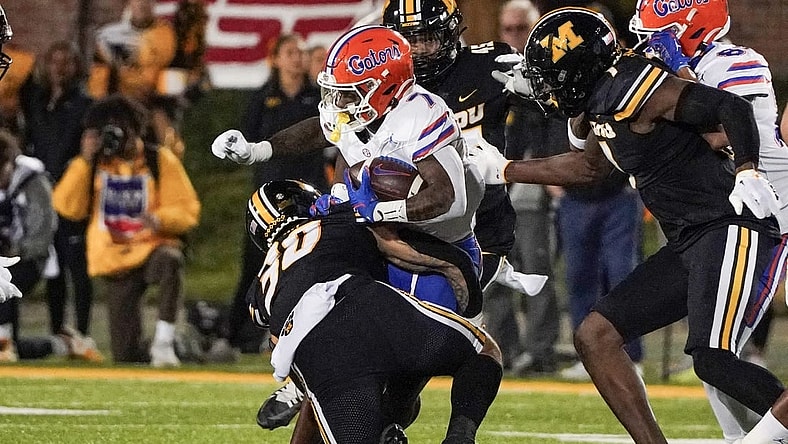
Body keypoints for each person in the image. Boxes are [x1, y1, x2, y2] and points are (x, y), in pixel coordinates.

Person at [475, 7, 788, 444]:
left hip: (729, 225)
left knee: (712, 359)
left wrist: (749, 170)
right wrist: (506, 169)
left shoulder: (633, 86)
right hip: (689, 239)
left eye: (551, 77)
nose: (545, 89)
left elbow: (729, 106)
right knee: (595, 335)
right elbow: (589, 169)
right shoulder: (601, 101)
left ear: (578, 71)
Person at [630, 0, 788, 440]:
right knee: (714, 357)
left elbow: (723, 128)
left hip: (775, 223)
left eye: (655, 36)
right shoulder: (673, 77)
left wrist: (678, 72)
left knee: (716, 355)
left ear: (689, 31)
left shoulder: (736, 61)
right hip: (739, 226)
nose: (647, 46)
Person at [244, 178, 502, 444]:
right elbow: (420, 256)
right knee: (483, 351)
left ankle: (381, 431)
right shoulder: (336, 219)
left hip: (314, 356)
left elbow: (280, 343)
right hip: (362, 305)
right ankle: (459, 437)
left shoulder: (257, 293)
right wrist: (465, 295)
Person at [52, 94, 201, 367]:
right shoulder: (94, 165)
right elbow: (67, 207)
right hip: (115, 258)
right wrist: (84, 161)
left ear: (135, 128)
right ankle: (184, 347)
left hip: (151, 248)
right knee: (125, 354)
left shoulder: (159, 160)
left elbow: (187, 209)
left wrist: (160, 219)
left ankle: (165, 342)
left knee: (171, 261)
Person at [224, 33, 324, 355]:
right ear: (276, 59)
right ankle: (238, 335)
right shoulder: (262, 98)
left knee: (306, 263)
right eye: (290, 52)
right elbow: (247, 139)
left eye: (300, 52)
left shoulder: (318, 97)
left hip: (307, 193)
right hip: (268, 196)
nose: (297, 58)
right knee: (256, 264)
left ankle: (298, 333)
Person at [492, 0, 563, 375]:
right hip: (492, 186)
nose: (515, 37)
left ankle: (539, 350)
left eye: (522, 29)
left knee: (537, 267)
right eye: (509, 29)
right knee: (491, 271)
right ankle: (501, 348)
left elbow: (557, 124)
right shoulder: (489, 68)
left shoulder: (549, 67)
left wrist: (551, 172)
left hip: (533, 183)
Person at [20, 41, 95, 343]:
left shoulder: (84, 104)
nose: (60, 68)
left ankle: (84, 331)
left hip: (71, 190)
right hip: (42, 191)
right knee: (52, 264)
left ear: (77, 67)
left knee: (77, 264)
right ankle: (57, 330)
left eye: (67, 62)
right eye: (55, 61)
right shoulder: (36, 101)